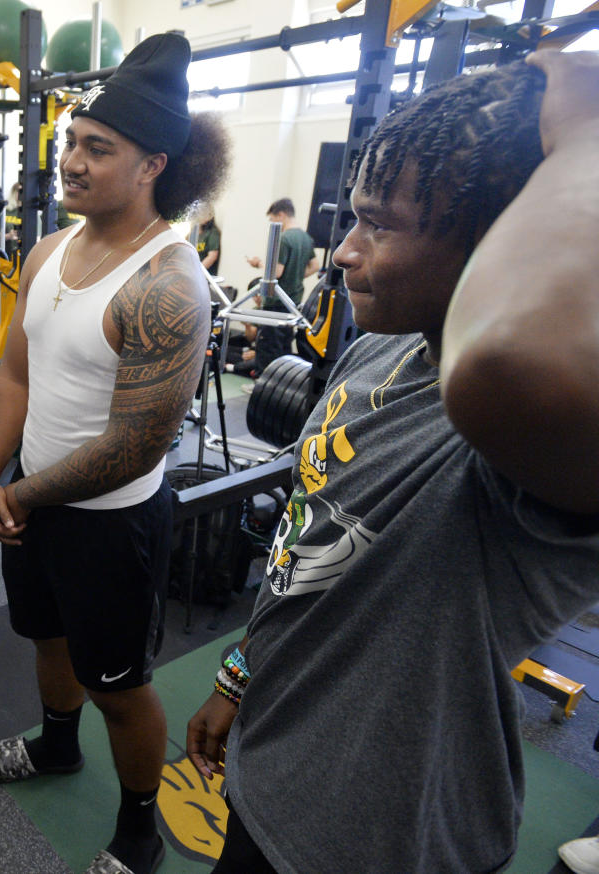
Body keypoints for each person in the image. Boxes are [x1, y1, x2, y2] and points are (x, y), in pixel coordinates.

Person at [187, 51, 599, 874]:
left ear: (495, 239)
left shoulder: (510, 433)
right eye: (354, 216)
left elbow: (518, 357)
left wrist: (589, 132)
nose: (344, 251)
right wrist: (239, 674)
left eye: (382, 225)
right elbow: (302, 551)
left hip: (381, 839)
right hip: (270, 782)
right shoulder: (375, 352)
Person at [0, 33, 231, 874]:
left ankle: (140, 824)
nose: (72, 161)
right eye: (71, 142)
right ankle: (55, 746)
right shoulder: (51, 250)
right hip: (33, 501)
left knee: (120, 686)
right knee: (46, 641)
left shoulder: (167, 285)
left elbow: (134, 446)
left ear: (154, 164)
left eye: (97, 148)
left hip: (109, 525)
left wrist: (23, 495)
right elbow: (14, 372)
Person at [244, 197, 318, 374]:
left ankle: (262, 383)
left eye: (273, 219)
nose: (273, 223)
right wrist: (297, 275)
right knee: (284, 348)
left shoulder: (284, 239)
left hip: (276, 301)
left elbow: (276, 273)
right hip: (293, 302)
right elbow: (315, 266)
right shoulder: (306, 238)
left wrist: (258, 263)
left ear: (281, 215)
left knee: (268, 346)